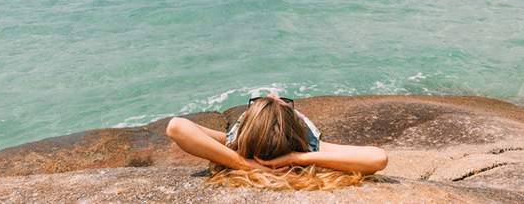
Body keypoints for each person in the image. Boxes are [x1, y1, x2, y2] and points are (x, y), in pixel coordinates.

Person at [165, 93, 388, 189]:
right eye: (284, 103)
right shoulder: (308, 145)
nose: (273, 95)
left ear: (245, 127)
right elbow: (378, 157)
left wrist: (242, 163)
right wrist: (298, 157)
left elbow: (176, 126)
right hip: (292, 146)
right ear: (297, 128)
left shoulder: (236, 143)